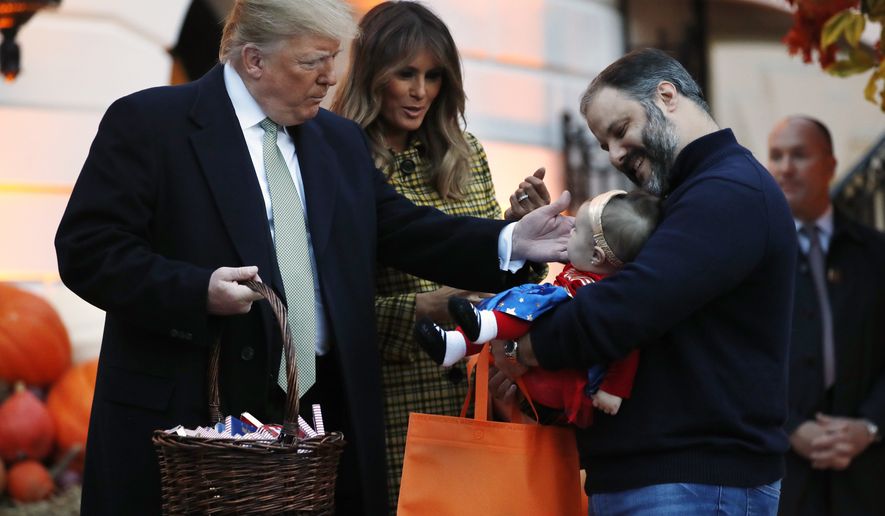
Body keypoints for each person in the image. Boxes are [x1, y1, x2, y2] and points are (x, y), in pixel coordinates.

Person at [53, 0, 572, 514]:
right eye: (312, 62)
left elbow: (406, 230)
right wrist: (197, 291)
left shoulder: (338, 140)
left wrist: (510, 242)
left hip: (324, 415)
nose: (330, 79)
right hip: (194, 413)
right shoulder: (149, 123)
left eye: (334, 58)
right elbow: (88, 251)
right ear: (253, 60)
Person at [492, 48, 797, 515]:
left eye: (620, 130)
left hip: (694, 481)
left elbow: (630, 306)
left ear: (667, 95)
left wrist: (524, 347)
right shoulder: (699, 192)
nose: (615, 154)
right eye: (604, 144)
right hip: (667, 478)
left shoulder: (727, 191)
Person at [329, 2, 549, 509]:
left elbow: (495, 281)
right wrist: (425, 308)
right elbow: (328, 307)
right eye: (405, 73)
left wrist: (517, 232)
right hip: (392, 400)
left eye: (433, 76)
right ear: (371, 74)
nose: (420, 91)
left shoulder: (464, 151)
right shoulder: (340, 161)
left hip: (479, 401)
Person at [415, 189, 661, 428]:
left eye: (575, 231)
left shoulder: (605, 296)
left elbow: (627, 347)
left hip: (564, 384)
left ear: (596, 256)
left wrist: (612, 390)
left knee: (535, 301)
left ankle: (482, 326)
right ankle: (456, 343)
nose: (567, 231)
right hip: (536, 377)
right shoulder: (580, 273)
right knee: (521, 299)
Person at [767, 116, 885, 516]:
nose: (784, 167)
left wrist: (869, 426)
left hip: (868, 476)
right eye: (776, 156)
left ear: (831, 165)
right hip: (782, 476)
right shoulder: (752, 258)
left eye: (799, 155)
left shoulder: (875, 253)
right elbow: (731, 358)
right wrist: (791, 427)